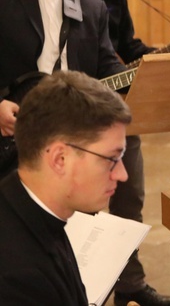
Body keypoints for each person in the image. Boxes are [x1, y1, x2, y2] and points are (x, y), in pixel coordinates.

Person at [66, 0, 170, 306]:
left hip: (117, 107)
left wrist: (165, 53)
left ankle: (129, 285)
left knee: (129, 198)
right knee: (80, 206)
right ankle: (80, 290)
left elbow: (127, 47)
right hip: (75, 113)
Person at [0, 70, 131, 305]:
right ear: (60, 159)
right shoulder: (19, 274)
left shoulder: (35, 209)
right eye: (112, 159)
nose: (122, 174)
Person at [0, 0, 125, 154]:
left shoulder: (92, 8)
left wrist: (149, 72)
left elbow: (109, 67)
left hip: (77, 129)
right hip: (16, 134)